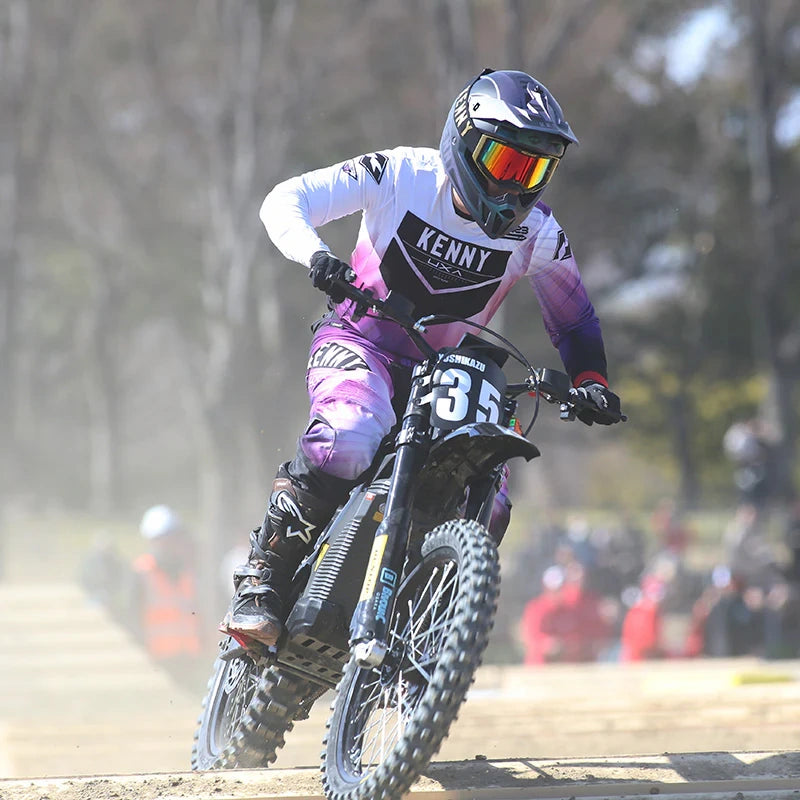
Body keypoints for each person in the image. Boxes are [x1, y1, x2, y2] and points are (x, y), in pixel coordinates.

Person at [220, 68, 623, 648]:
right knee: (352, 437)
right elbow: (286, 199)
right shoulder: (401, 174)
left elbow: (575, 316)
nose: (515, 188)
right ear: (463, 141)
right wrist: (316, 256)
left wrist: (591, 383)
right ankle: (263, 577)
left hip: (447, 374)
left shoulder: (537, 231)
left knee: (492, 503)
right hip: (361, 343)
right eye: (506, 163)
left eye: (533, 170)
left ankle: (422, 630)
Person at [129, 504, 202, 675]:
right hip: (157, 661)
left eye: (173, 538)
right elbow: (131, 616)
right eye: (164, 539)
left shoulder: (188, 571)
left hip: (191, 658)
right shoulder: (141, 573)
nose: (170, 544)